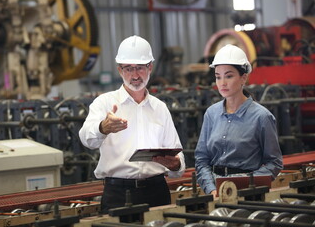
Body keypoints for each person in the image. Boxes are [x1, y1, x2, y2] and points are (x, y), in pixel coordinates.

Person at [79, 35, 185, 213]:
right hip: (118, 194)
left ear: (150, 67)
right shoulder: (104, 103)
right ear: (119, 70)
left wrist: (175, 165)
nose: (135, 75)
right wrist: (102, 128)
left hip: (157, 191)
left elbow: (178, 159)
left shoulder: (160, 108)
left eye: (140, 68)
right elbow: (86, 139)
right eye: (128, 69)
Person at [195, 44, 283, 197]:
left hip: (248, 193)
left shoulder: (261, 117)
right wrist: (211, 188)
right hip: (215, 194)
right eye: (218, 76)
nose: (222, 83)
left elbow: (274, 163)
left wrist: (244, 183)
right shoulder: (211, 114)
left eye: (228, 76)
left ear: (243, 77)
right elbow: (202, 158)